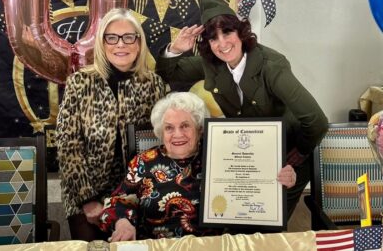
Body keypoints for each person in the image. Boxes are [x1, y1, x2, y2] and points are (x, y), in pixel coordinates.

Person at [156, 0, 328, 219]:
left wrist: (301, 151)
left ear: (241, 32)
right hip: (248, 155)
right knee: (239, 219)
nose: (222, 43)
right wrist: (175, 49)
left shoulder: (271, 66)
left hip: (287, 154)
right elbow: (169, 73)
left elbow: (317, 120)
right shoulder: (212, 63)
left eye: (227, 32)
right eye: (213, 37)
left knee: (268, 222)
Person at [99, 92, 296, 241]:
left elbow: (256, 180)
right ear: (161, 132)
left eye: (185, 125)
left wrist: (279, 176)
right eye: (169, 128)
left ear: (199, 129)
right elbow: (117, 201)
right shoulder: (144, 161)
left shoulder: (222, 156)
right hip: (158, 246)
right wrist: (123, 223)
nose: (177, 134)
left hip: (214, 246)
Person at [56, 8, 166, 241]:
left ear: (139, 43)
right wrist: (88, 200)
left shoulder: (154, 84)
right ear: (102, 43)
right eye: (112, 38)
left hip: (137, 193)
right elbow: (68, 146)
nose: (120, 44)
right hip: (87, 194)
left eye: (129, 37)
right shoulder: (80, 82)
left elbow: (160, 145)